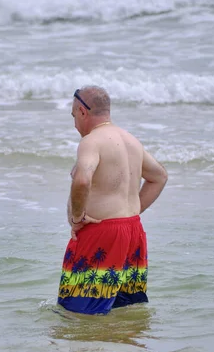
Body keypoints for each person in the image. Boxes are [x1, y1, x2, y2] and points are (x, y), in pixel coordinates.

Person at [57, 85, 168, 315]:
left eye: (73, 116)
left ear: (82, 111)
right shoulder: (131, 141)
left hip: (100, 233)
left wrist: (77, 218)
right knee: (125, 310)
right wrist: (130, 211)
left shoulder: (92, 142)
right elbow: (159, 177)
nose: (74, 123)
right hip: (133, 233)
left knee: (78, 313)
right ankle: (125, 351)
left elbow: (82, 181)